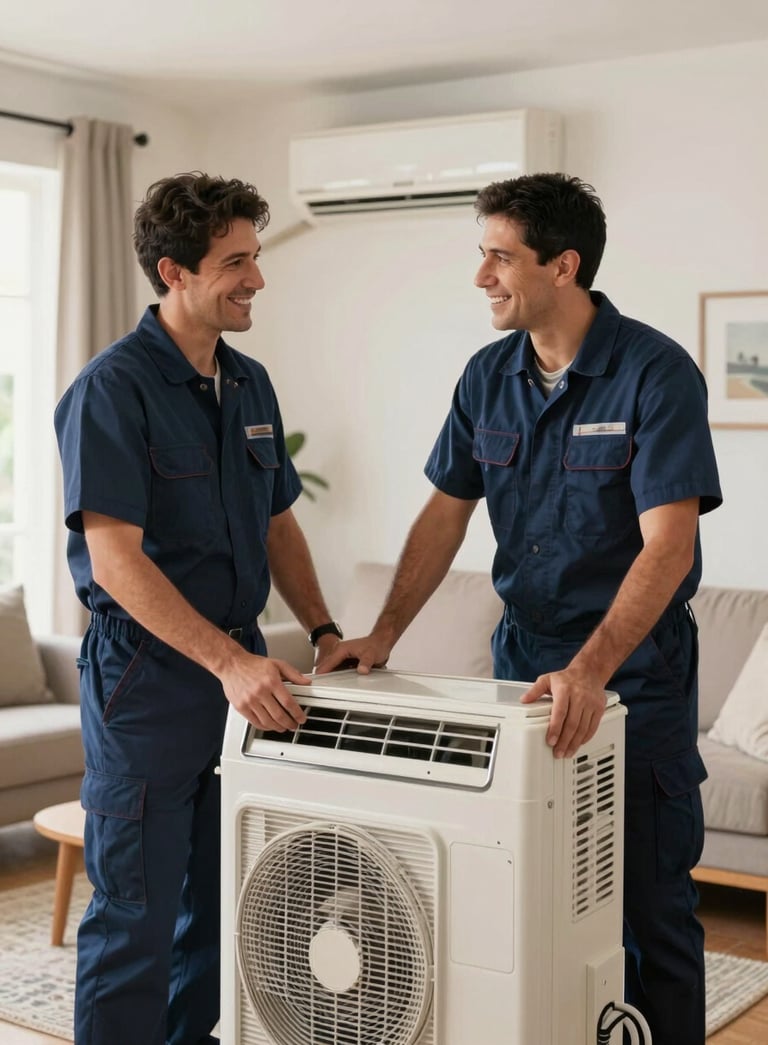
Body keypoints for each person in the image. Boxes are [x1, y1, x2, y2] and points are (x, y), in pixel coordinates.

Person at [318, 173, 721, 1045]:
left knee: (650, 915)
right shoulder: (486, 376)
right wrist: (382, 634)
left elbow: (669, 546)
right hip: (520, 680)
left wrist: (591, 668)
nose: (482, 277)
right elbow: (444, 513)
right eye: (482, 255)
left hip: (633, 687)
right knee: (528, 906)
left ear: (564, 266)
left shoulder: (655, 374)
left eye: (500, 256)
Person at [54, 173, 343, 1045]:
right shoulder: (112, 389)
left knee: (223, 906)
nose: (256, 279)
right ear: (174, 271)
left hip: (239, 670)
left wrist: (325, 631)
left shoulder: (249, 385)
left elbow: (279, 523)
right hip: (147, 680)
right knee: (136, 914)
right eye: (235, 263)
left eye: (255, 258)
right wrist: (227, 663)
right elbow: (116, 558)